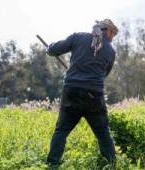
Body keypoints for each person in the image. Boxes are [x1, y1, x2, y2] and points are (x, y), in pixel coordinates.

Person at [46, 19, 118, 166]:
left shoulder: (78, 37)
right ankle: (112, 166)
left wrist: (50, 47)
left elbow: (53, 50)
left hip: (71, 91)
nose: (113, 38)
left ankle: (52, 165)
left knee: (61, 131)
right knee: (103, 134)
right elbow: (104, 74)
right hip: (94, 96)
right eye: (113, 34)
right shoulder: (110, 51)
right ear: (108, 31)